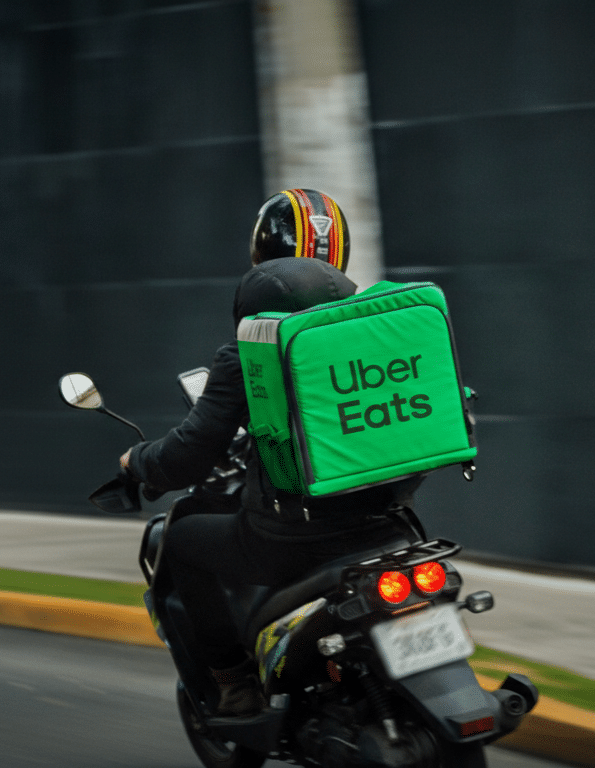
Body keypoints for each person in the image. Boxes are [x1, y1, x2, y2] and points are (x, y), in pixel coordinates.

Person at [118, 192, 422, 716]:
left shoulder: (252, 350)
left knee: (183, 542)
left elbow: (190, 456)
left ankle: (232, 680)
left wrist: (137, 462)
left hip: (294, 538)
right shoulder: (377, 332)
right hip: (388, 522)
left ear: (262, 255)